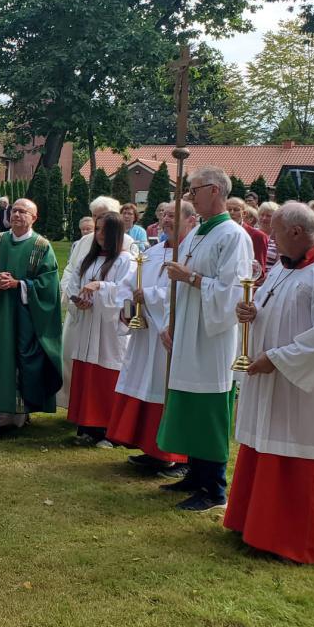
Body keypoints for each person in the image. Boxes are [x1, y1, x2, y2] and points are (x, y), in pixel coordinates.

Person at [226, 201, 314, 565]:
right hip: (272, 380)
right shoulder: (285, 270)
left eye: (277, 234)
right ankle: (255, 526)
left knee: (295, 451)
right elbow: (279, 313)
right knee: (264, 444)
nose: (272, 241)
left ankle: (292, 541)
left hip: (304, 386)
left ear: (297, 233)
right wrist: (252, 313)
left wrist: (279, 359)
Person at [156, 166, 253, 512]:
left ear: (214, 190)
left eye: (194, 190)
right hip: (191, 330)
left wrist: (192, 278)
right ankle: (195, 475)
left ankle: (214, 487)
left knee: (208, 409)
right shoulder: (199, 234)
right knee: (188, 404)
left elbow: (233, 293)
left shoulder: (233, 236)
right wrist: (174, 324)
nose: (189, 197)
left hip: (213, 338)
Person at [107, 201, 194, 476]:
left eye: (173, 216)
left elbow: (179, 293)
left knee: (165, 389)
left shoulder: (190, 255)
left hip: (168, 334)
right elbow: (129, 285)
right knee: (145, 386)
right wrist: (128, 308)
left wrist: (151, 297)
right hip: (146, 334)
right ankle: (151, 448)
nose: (167, 220)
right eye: (164, 215)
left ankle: (174, 455)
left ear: (190, 221)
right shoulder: (153, 252)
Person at [0, 198, 63, 437]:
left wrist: (20, 284)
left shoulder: (41, 246)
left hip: (25, 318)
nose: (18, 215)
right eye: (15, 210)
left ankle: (17, 416)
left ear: (34, 218)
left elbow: (49, 285)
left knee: (21, 362)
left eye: (24, 212)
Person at [64, 213, 133, 446]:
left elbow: (126, 292)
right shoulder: (89, 259)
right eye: (97, 229)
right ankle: (87, 426)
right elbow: (75, 281)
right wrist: (78, 300)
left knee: (105, 376)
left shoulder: (125, 260)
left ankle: (107, 430)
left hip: (108, 331)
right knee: (86, 373)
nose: (99, 234)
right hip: (87, 324)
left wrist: (100, 287)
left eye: (104, 230)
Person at [228, 197, 268, 277]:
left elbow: (258, 271)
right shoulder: (218, 232)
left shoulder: (257, 236)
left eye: (236, 210)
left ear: (244, 213)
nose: (231, 213)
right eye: (228, 210)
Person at [257, 201, 279, 268]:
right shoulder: (251, 234)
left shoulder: (279, 239)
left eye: (268, 216)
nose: (264, 218)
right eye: (262, 215)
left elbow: (278, 265)